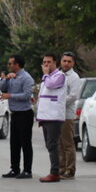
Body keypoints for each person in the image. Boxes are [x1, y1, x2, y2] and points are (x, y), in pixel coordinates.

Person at [0, 54, 36, 178]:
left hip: (24, 113)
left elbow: (27, 95)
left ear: (17, 64)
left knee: (25, 143)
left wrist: (10, 96)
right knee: (14, 143)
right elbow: (2, 88)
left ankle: (27, 170)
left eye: (10, 63)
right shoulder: (12, 77)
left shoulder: (26, 78)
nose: (8, 65)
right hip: (14, 113)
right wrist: (6, 79)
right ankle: (14, 169)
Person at [36, 52, 67, 183]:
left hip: (54, 117)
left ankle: (55, 173)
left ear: (55, 63)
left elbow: (50, 85)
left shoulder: (59, 76)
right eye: (44, 62)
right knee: (49, 145)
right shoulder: (47, 77)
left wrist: (45, 74)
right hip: (46, 117)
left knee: (52, 145)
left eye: (49, 62)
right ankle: (54, 171)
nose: (46, 65)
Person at [58, 51, 80, 180]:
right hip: (57, 114)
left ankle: (70, 170)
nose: (66, 63)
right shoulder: (58, 74)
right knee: (59, 143)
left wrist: (58, 102)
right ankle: (61, 168)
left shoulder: (74, 77)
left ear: (73, 63)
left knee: (67, 143)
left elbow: (73, 96)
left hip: (67, 114)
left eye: (69, 61)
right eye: (64, 61)